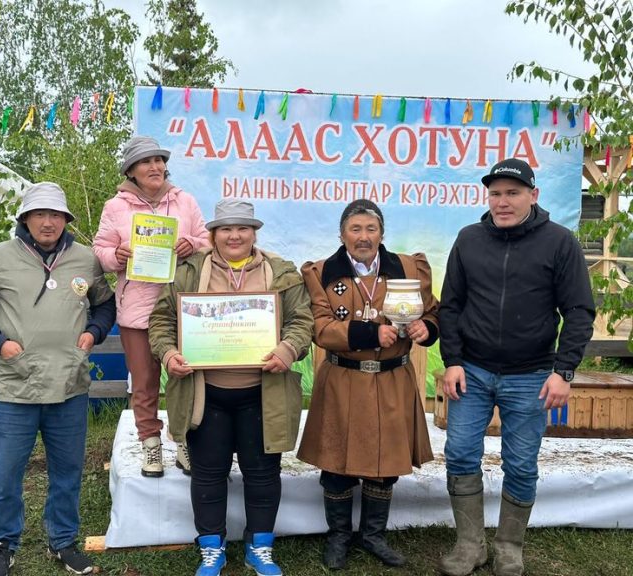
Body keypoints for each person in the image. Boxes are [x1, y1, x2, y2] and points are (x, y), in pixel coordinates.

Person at [438, 158, 595, 576]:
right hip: (472, 372)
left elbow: (579, 310)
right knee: (459, 454)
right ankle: (470, 546)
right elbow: (450, 306)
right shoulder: (468, 239)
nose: (502, 202)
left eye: (513, 193)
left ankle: (509, 548)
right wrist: (452, 361)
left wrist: (564, 371)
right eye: (495, 193)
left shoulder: (560, 242)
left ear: (533, 195)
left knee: (522, 463)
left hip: (532, 376)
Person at [0, 182, 116, 576]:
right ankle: (2, 545)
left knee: (67, 473)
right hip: (16, 387)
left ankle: (63, 542)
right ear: (25, 218)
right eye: (40, 214)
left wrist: (94, 332)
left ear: (65, 220)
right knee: (6, 475)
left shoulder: (85, 259)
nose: (48, 222)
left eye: (55, 215)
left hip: (70, 385)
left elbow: (105, 304)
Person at [148, 199, 313, 576]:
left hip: (262, 394)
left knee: (263, 473)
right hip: (207, 395)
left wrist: (288, 349)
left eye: (243, 229)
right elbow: (161, 321)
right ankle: (211, 548)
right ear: (213, 234)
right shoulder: (189, 271)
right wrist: (169, 353)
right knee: (208, 473)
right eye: (226, 229)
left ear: (254, 233)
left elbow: (302, 320)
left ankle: (260, 547)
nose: (234, 236)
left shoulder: (281, 272)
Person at [296, 199, 438, 570]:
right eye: (355, 229)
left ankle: (373, 536)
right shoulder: (321, 273)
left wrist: (426, 328)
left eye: (370, 229)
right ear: (341, 235)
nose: (363, 237)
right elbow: (321, 329)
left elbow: (432, 310)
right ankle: (339, 536)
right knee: (336, 463)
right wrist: (370, 333)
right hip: (343, 379)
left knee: (385, 463)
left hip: (392, 378)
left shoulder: (409, 268)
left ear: (382, 234)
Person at [93, 136, 210, 478]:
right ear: (131, 170)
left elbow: (207, 241)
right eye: (146, 162)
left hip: (181, 309)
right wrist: (116, 256)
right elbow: (100, 250)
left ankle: (184, 441)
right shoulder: (115, 207)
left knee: (184, 379)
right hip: (137, 311)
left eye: (159, 161)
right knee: (144, 382)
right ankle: (150, 444)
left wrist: (192, 244)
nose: (155, 167)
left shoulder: (185, 200)